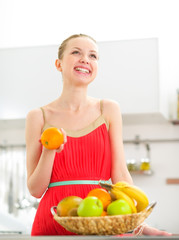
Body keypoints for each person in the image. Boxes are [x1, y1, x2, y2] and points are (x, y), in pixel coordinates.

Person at [26, 34, 172, 236]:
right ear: (58, 64)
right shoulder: (38, 116)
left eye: (93, 55)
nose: (85, 59)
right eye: (76, 52)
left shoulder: (108, 109)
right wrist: (49, 151)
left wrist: (138, 224)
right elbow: (35, 189)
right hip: (53, 221)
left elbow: (120, 175)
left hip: (104, 220)